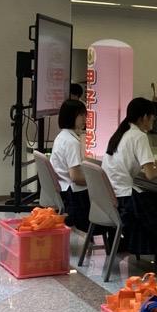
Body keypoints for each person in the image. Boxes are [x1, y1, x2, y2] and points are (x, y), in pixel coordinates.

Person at [102, 98, 157, 269]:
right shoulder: (139, 136)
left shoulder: (121, 133)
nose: (153, 122)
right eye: (152, 118)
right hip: (128, 200)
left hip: (115, 197)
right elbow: (150, 174)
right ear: (144, 117)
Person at [50, 99, 89, 231]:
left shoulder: (61, 136)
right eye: (81, 115)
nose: (85, 119)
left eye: (85, 115)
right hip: (73, 196)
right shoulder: (72, 142)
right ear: (71, 116)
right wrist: (97, 183)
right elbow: (76, 177)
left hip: (63, 190)